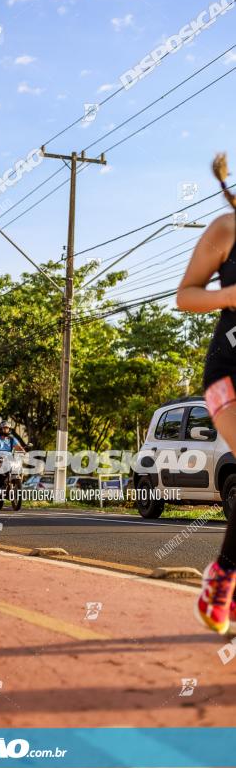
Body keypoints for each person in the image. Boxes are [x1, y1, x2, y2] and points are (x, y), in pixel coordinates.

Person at [177, 151, 236, 634]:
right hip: (228, 373)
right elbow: (186, 295)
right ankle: (222, 578)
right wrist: (228, 296)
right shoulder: (226, 229)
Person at [0, 421, 25, 491]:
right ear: (0, 429)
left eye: (7, 428)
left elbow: (18, 447)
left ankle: (17, 484)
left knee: (20, 468)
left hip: (9, 458)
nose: (6, 430)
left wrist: (23, 450)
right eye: (4, 428)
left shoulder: (12, 439)